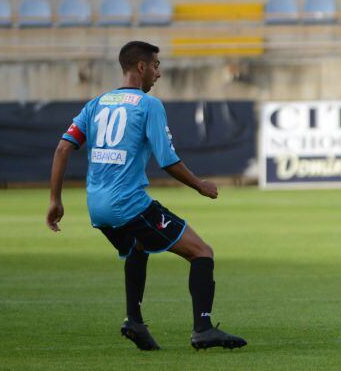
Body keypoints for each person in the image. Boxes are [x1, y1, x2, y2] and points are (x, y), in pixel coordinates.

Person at [46, 41, 247, 350]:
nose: (159, 73)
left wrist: (55, 201)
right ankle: (203, 328)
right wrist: (199, 185)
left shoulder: (97, 103)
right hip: (128, 204)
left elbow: (62, 149)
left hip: (97, 207)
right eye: (155, 66)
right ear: (141, 68)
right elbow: (167, 159)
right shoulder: (148, 105)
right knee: (202, 252)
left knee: (138, 247)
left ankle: (135, 322)